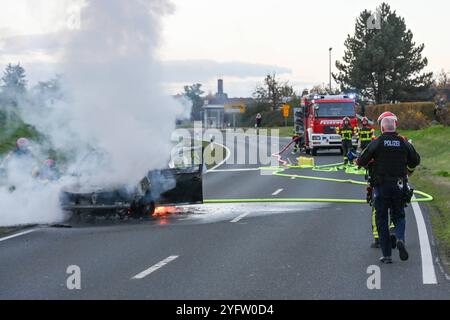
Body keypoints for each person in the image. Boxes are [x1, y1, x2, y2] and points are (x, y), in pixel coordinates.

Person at [357, 112, 421, 264]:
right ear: (395, 126)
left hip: (381, 186)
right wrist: (409, 170)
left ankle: (386, 255)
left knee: (381, 218)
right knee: (399, 215)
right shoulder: (404, 142)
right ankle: (399, 238)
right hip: (399, 185)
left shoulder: (377, 142)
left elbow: (362, 160)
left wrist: (363, 162)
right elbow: (416, 160)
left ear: (382, 127)